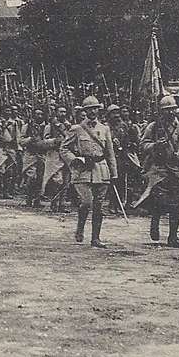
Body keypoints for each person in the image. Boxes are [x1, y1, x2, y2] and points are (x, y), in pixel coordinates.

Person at [60, 96, 118, 248]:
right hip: (83, 170)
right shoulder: (76, 129)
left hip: (101, 169)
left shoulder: (104, 129)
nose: (93, 111)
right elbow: (64, 148)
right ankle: (80, 228)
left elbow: (110, 153)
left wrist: (114, 173)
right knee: (86, 202)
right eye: (89, 109)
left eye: (95, 108)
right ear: (84, 111)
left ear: (99, 110)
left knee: (99, 206)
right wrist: (74, 160)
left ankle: (95, 238)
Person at [136, 95, 179, 248]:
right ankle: (155, 223)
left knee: (177, 205)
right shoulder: (153, 126)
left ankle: (173, 237)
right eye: (166, 110)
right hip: (159, 169)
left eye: (172, 110)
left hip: (176, 169)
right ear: (161, 111)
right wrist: (155, 146)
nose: (170, 113)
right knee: (159, 201)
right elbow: (143, 145)